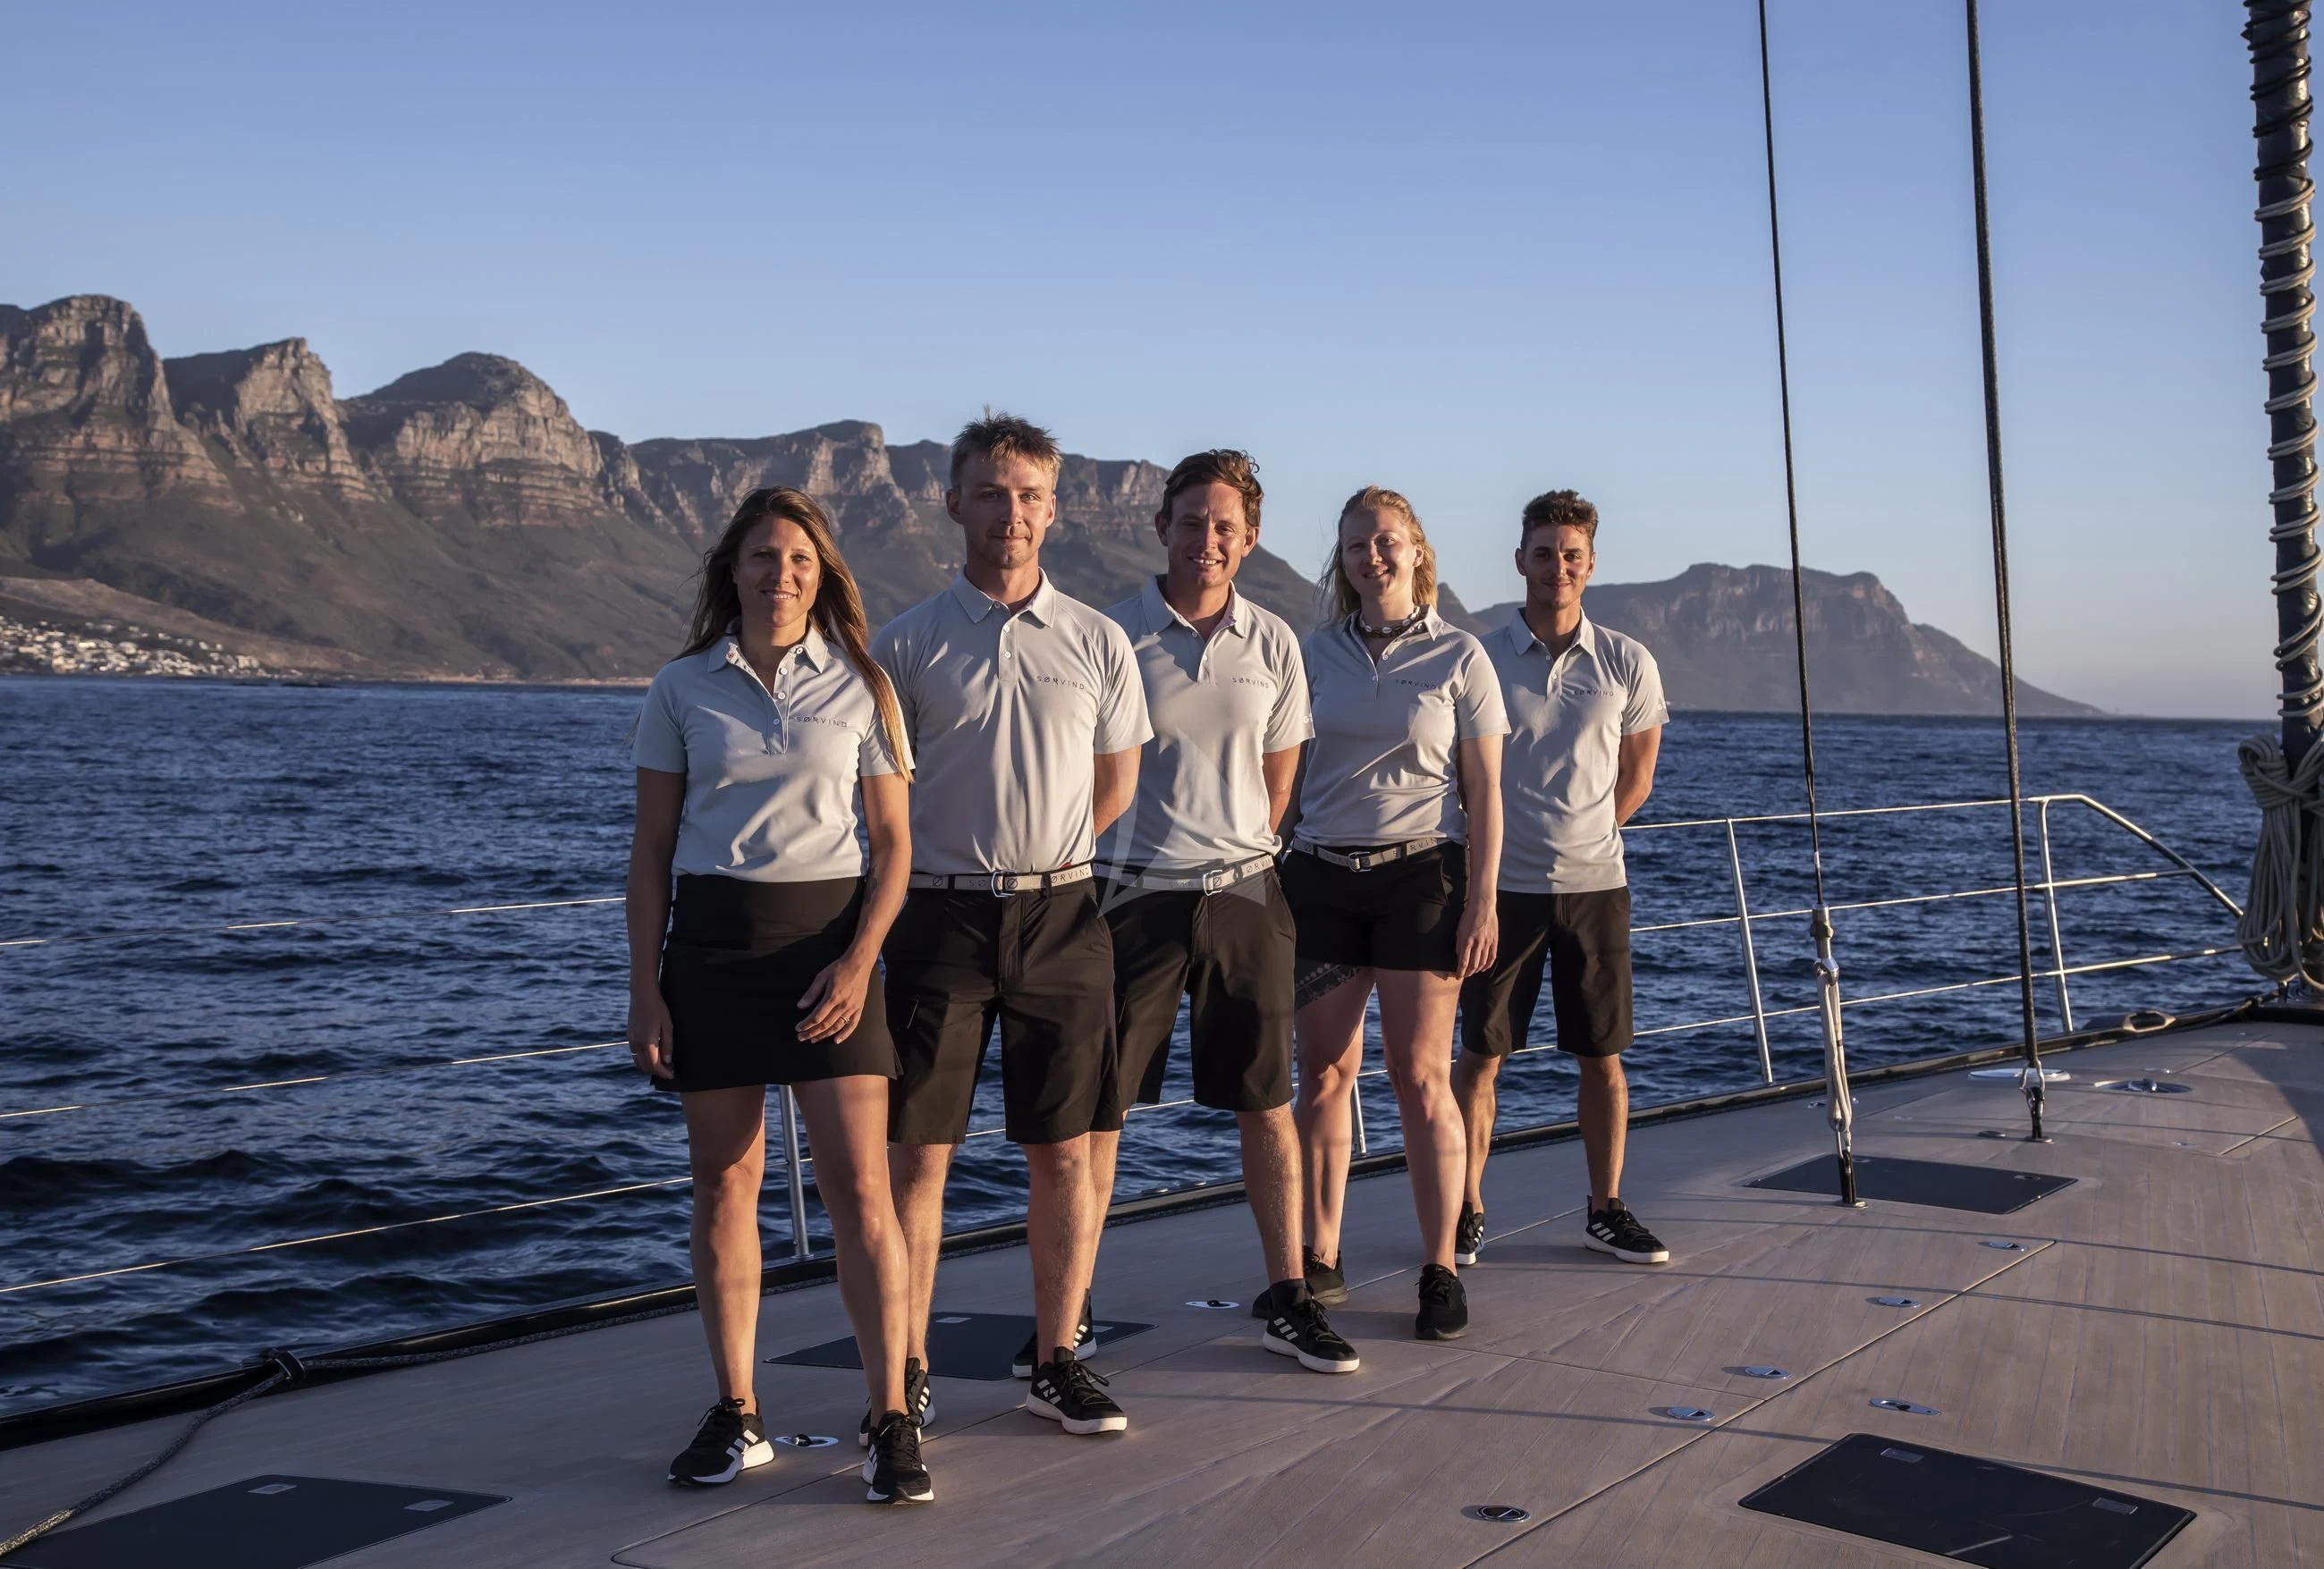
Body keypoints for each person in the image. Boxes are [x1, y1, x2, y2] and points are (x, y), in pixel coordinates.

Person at [627, 486, 931, 1506]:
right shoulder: (682, 687)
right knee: (723, 1188)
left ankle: (890, 1416)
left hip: (828, 954)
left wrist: (857, 967)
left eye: (799, 559)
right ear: (733, 571)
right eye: (763, 557)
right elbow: (652, 854)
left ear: (822, 573)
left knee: (861, 1195)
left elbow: (893, 851)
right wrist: (644, 990)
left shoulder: (864, 687)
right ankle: (737, 1410)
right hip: (710, 956)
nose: (781, 574)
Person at [873, 413, 1152, 1438]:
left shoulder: (1098, 640)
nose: (1011, 512)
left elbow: (1116, 781)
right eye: (991, 492)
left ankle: (1058, 1356)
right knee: (917, 1159)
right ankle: (903, 1375)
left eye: (1030, 494)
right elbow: (882, 798)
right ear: (952, 503)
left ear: (1055, 509)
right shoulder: (902, 646)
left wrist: (1044, 851)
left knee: (1066, 1153)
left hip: (1063, 916)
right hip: (936, 923)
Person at [1090, 450, 1360, 1376]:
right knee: (1098, 1113)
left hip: (1244, 894)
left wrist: (1235, 855)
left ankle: (1289, 1296)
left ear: (1248, 541)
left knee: (1265, 1104)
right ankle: (1065, 1316)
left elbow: (1279, 784)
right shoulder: (1106, 634)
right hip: (1127, 898)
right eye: (1192, 521)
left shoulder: (1275, 642)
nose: (1207, 540)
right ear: (1159, 526)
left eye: (1226, 527)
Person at [1281, 485, 1507, 1341]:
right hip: (1321, 878)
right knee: (1325, 1074)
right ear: (1339, 562)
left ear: (1415, 550)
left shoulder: (1460, 657)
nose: (1370, 557)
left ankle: (1440, 1265)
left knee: (1420, 1078)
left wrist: (1481, 900)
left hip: (1421, 881)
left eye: (1385, 542)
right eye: (1353, 546)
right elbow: (1291, 777)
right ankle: (1320, 1251)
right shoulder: (1313, 654)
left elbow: (1484, 795)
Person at [1453, 489, 1669, 1269]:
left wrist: (1586, 832)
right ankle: (1464, 1206)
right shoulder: (1478, 657)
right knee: (1480, 1055)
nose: (1557, 566)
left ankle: (1604, 1209)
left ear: (1590, 563)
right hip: (1499, 890)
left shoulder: (1625, 661)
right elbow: (1458, 772)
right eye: (1543, 552)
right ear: (1520, 560)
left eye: (1570, 553)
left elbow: (1637, 772)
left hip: (1593, 887)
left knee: (1601, 1057)